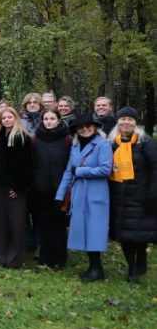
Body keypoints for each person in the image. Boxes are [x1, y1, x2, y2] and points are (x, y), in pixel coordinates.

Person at [56, 114, 113, 281]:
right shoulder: (75, 146)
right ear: (76, 131)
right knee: (84, 230)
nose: (85, 129)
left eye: (88, 126)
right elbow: (68, 171)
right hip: (79, 194)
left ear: (94, 127)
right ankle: (93, 266)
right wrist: (60, 195)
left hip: (96, 194)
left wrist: (80, 171)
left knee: (95, 230)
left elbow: (105, 170)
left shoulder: (102, 145)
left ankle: (96, 267)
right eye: (81, 127)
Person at [108, 107, 157, 283]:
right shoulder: (112, 142)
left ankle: (142, 257)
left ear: (136, 122)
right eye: (123, 119)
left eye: (130, 119)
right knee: (125, 234)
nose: (126, 122)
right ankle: (132, 269)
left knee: (140, 233)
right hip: (119, 195)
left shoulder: (146, 142)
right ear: (118, 121)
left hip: (140, 195)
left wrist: (153, 194)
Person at [0, 108, 32, 268]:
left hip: (15, 188)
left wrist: (19, 187)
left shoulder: (22, 137)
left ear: (15, 118)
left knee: (16, 223)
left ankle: (14, 259)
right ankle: (1, 256)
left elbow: (27, 165)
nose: (6, 120)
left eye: (9, 117)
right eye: (3, 117)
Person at [30, 109, 72, 269]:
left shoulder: (67, 139)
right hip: (40, 189)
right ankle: (45, 257)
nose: (48, 121)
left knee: (59, 225)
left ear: (59, 119)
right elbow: (32, 163)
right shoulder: (35, 139)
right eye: (46, 118)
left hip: (60, 189)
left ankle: (59, 258)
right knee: (43, 223)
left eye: (52, 118)